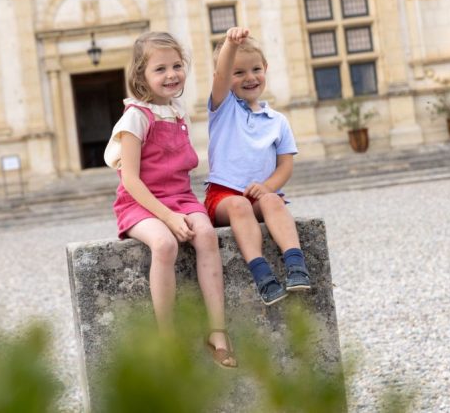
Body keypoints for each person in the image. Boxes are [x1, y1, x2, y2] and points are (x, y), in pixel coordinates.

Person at [104, 31, 237, 369]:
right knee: (164, 245)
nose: (171, 74)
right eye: (160, 68)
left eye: (176, 65)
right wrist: (167, 217)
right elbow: (131, 180)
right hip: (140, 204)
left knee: (206, 236)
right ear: (141, 75)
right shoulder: (134, 117)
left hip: (180, 196)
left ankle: (217, 331)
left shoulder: (178, 112)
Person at [204, 26, 311, 306]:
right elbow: (221, 74)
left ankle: (295, 265)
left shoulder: (277, 121)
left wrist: (267, 188)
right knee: (239, 206)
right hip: (225, 197)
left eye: (255, 70)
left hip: (258, 195)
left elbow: (285, 166)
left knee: (274, 201)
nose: (249, 78)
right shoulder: (223, 108)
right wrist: (229, 43)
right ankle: (262, 275)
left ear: (265, 68)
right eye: (239, 73)